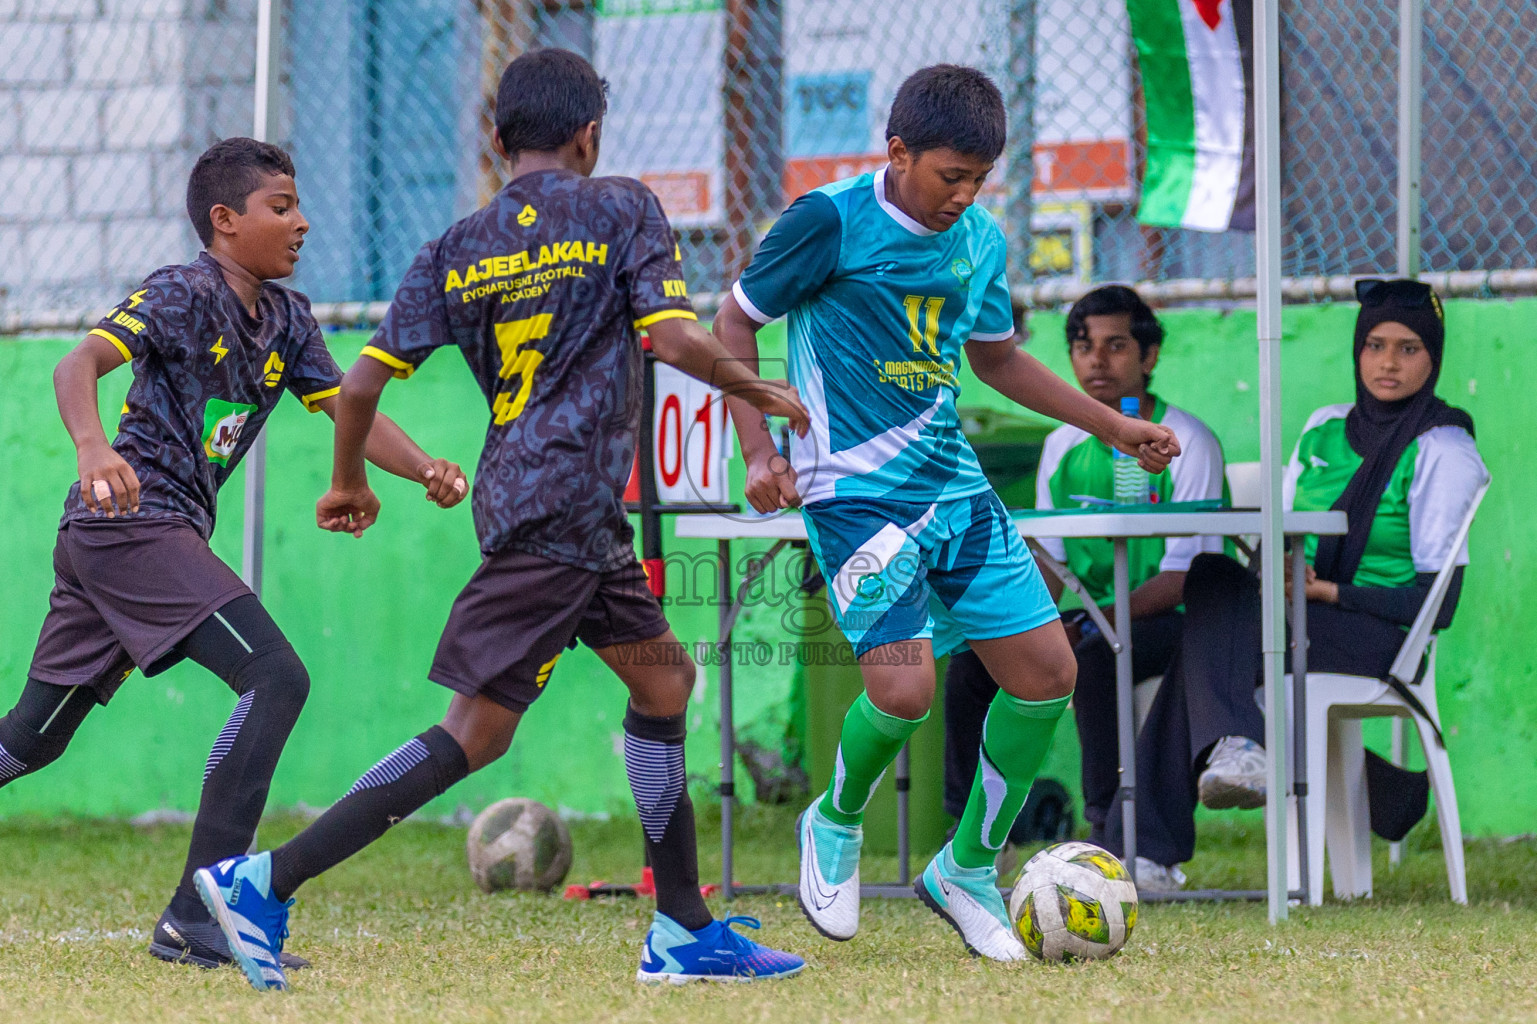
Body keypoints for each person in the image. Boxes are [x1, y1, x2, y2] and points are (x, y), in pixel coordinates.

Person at [196, 49, 811, 992]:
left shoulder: (457, 244)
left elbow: (358, 384)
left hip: (539, 501)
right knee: (475, 735)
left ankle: (684, 929)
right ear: (589, 136)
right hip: (564, 506)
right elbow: (673, 336)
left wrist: (348, 479)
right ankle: (265, 881)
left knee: (664, 683)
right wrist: (749, 385)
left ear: (495, 141)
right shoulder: (620, 207)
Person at [713, 65, 1179, 961]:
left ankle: (965, 870)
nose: (961, 197)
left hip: (954, 488)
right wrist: (758, 449)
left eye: (978, 180)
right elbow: (734, 325)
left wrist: (1115, 425)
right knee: (904, 690)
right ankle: (835, 819)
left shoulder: (978, 241)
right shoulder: (827, 221)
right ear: (896, 152)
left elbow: (999, 360)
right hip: (851, 492)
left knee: (1046, 672)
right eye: (948, 178)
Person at [0, 138, 466, 971]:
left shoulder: (287, 319)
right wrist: (91, 448)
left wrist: (423, 464)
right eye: (280, 207)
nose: (302, 221)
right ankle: (197, 914)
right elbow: (79, 364)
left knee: (32, 741)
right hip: (129, 523)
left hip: (135, 540)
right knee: (276, 676)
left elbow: (344, 409)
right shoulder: (181, 292)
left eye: (297, 205)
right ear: (225, 222)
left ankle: (194, 915)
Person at [1105, 278, 1489, 881]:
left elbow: (1436, 607)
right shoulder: (1323, 429)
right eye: (1375, 345)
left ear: (1433, 357)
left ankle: (1150, 848)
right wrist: (1279, 575)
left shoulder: (1443, 447)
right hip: (1298, 617)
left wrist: (1325, 592)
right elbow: (1274, 537)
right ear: (1357, 349)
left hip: (1379, 637)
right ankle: (1314, 770)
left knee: (1204, 632)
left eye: (1409, 348)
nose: (1388, 362)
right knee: (1211, 578)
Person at [942, 284, 1227, 891]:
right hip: (1091, 616)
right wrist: (1003, 620)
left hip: (1168, 622)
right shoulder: (1062, 445)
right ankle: (977, 843)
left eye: (1115, 345)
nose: (1096, 360)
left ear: (1149, 356)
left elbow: (1182, 579)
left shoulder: (1187, 441)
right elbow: (1049, 565)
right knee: (972, 662)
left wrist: (1092, 619)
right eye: (1081, 346)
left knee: (1094, 658)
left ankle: (1110, 840)